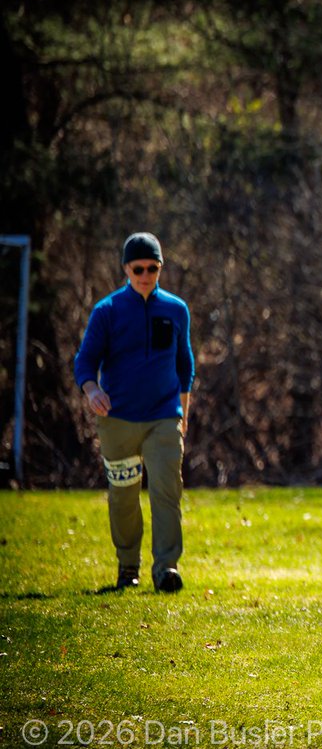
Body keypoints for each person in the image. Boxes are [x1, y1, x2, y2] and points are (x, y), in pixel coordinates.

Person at [74, 233, 194, 593]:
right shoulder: (107, 311)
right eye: (138, 268)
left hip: (163, 417)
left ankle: (166, 568)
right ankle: (128, 567)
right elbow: (85, 361)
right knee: (124, 495)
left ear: (160, 268)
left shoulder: (176, 309)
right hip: (118, 419)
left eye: (152, 268)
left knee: (166, 491)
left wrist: (182, 414)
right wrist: (92, 388)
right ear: (126, 268)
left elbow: (185, 366)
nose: (145, 274)